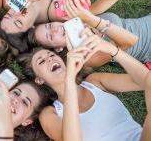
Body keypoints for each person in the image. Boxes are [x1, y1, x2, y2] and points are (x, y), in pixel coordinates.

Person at [17, 31, 149, 141]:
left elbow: (146, 81)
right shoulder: (49, 114)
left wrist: (112, 50)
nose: (50, 59)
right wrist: (69, 80)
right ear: (40, 80)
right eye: (41, 61)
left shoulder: (94, 81)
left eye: (51, 55)